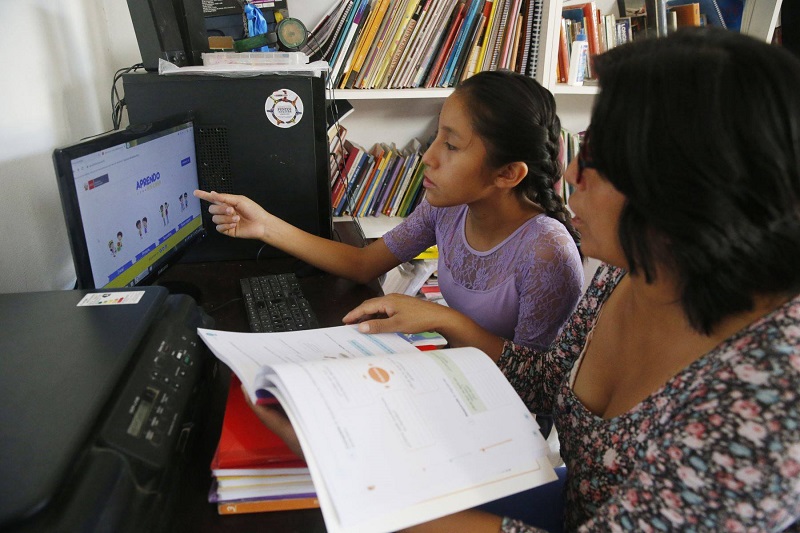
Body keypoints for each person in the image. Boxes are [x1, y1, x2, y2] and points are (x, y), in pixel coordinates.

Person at [253, 28, 800, 532]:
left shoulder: (767, 397)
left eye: (601, 157)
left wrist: (348, 468)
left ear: (686, 189)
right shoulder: (627, 273)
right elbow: (547, 380)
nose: (570, 174)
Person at [195, 69, 584, 357]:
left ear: (508, 174)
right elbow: (364, 264)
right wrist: (265, 225)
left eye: (451, 146)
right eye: (437, 136)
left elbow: (535, 382)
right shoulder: (448, 210)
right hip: (458, 375)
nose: (428, 157)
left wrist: (443, 318)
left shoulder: (547, 253)